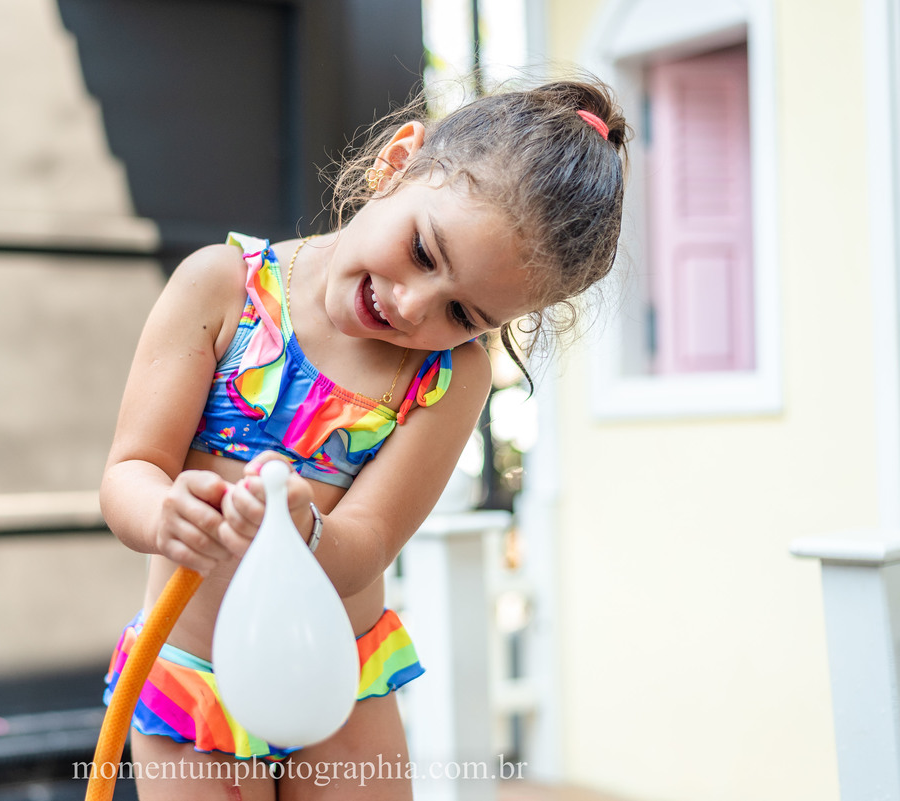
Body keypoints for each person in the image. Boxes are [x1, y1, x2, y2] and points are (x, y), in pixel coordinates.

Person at [99, 79, 627, 800]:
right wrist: (164, 513)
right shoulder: (220, 288)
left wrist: (308, 532)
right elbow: (130, 469)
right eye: (422, 250)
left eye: (463, 311)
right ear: (397, 162)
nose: (412, 305)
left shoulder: (448, 377)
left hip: (341, 677)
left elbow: (371, 539)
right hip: (197, 683)